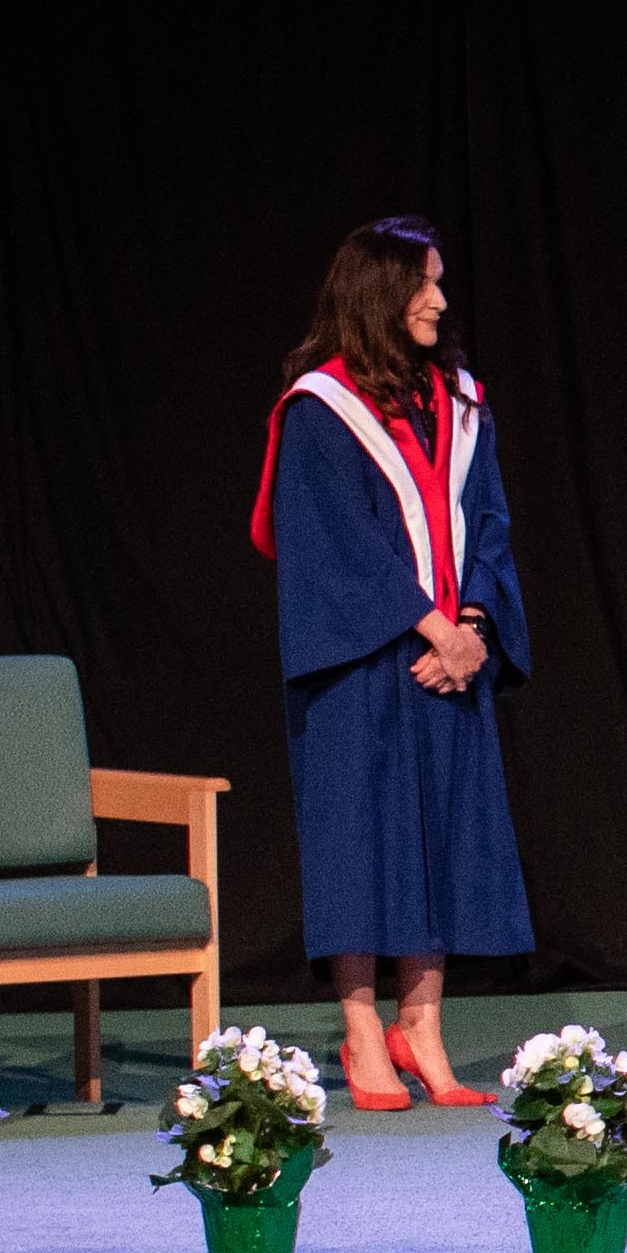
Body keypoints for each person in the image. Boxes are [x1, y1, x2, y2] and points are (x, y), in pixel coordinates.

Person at [254, 214, 534, 1110]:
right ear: (379, 292)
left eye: (440, 283)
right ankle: (362, 1032)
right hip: (364, 663)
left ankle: (424, 1030)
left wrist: (475, 629)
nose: (441, 300)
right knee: (360, 841)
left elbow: (487, 521)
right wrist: (430, 629)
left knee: (441, 837)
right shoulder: (321, 409)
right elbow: (334, 547)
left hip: (449, 660)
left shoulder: (457, 400)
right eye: (424, 283)